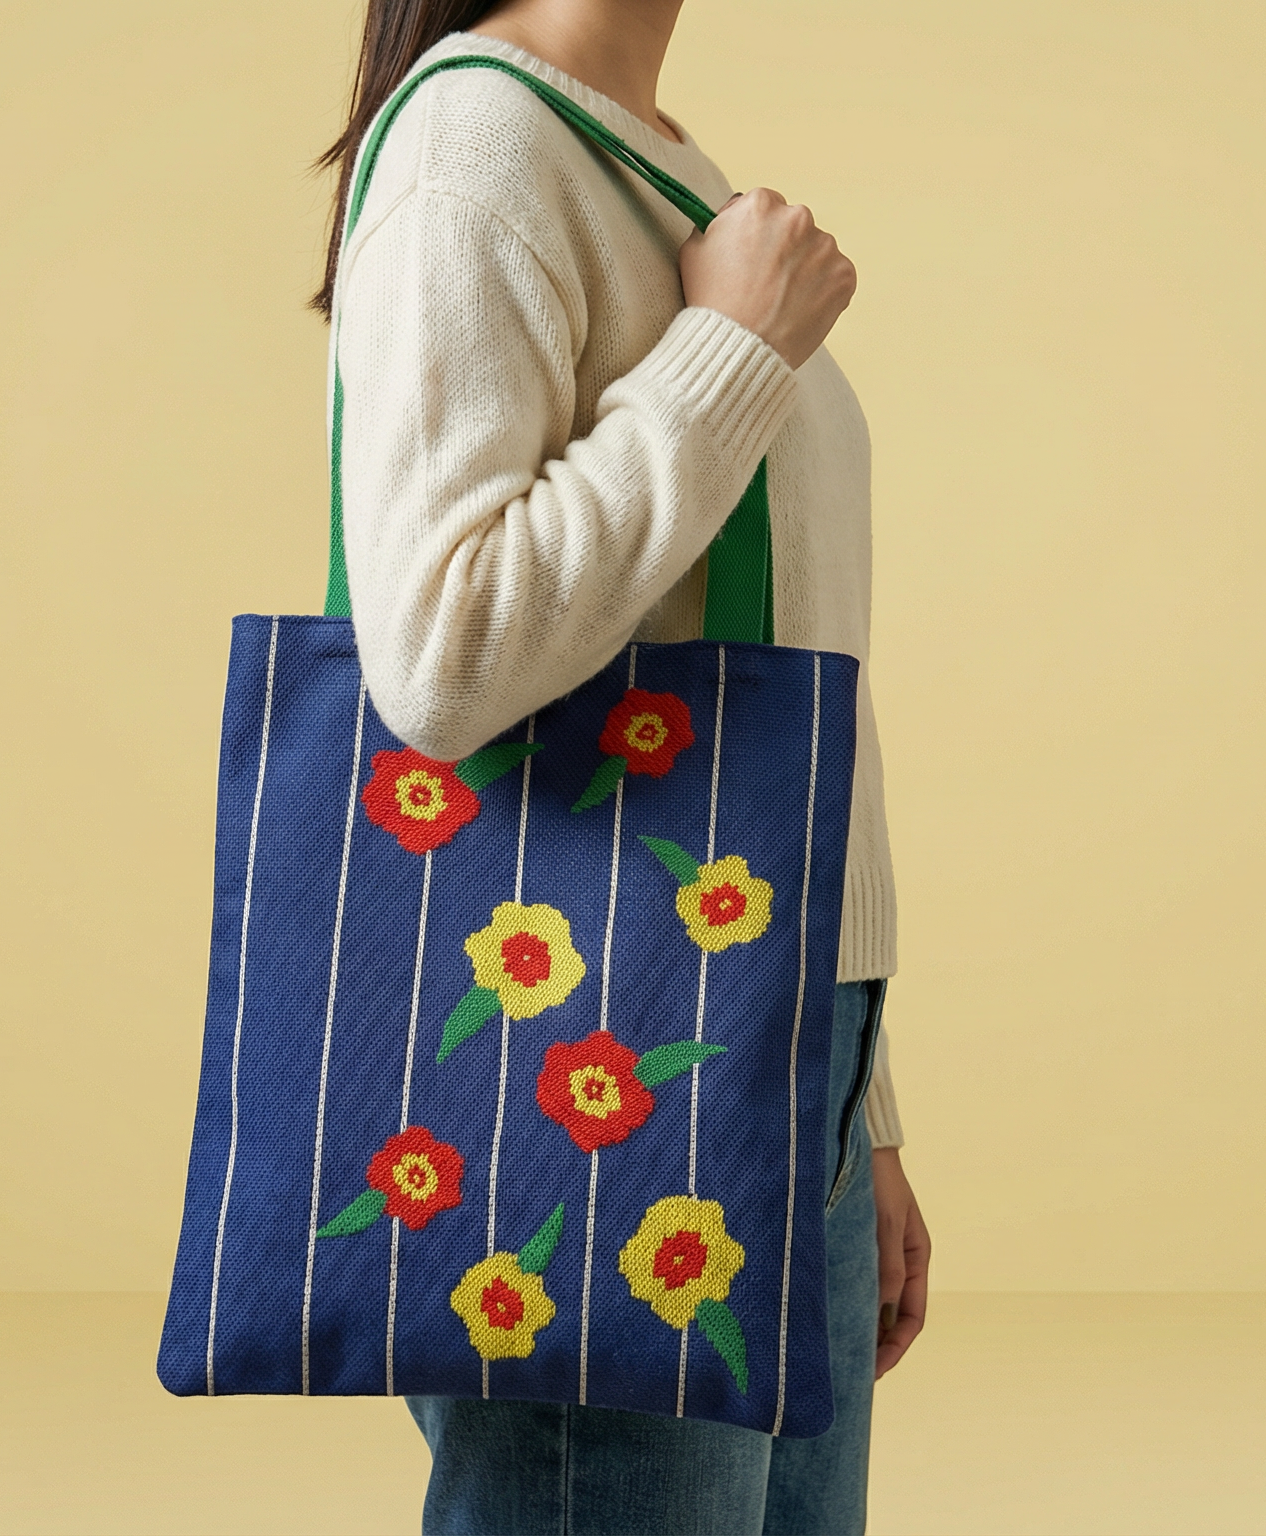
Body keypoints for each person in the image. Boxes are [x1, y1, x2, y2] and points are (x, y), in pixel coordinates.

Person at [314, 1, 930, 1529]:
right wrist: (729, 348)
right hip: (588, 1067)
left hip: (782, 1053)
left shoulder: (650, 161)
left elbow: (777, 675)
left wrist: (869, 1114)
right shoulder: (480, 150)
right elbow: (440, 656)